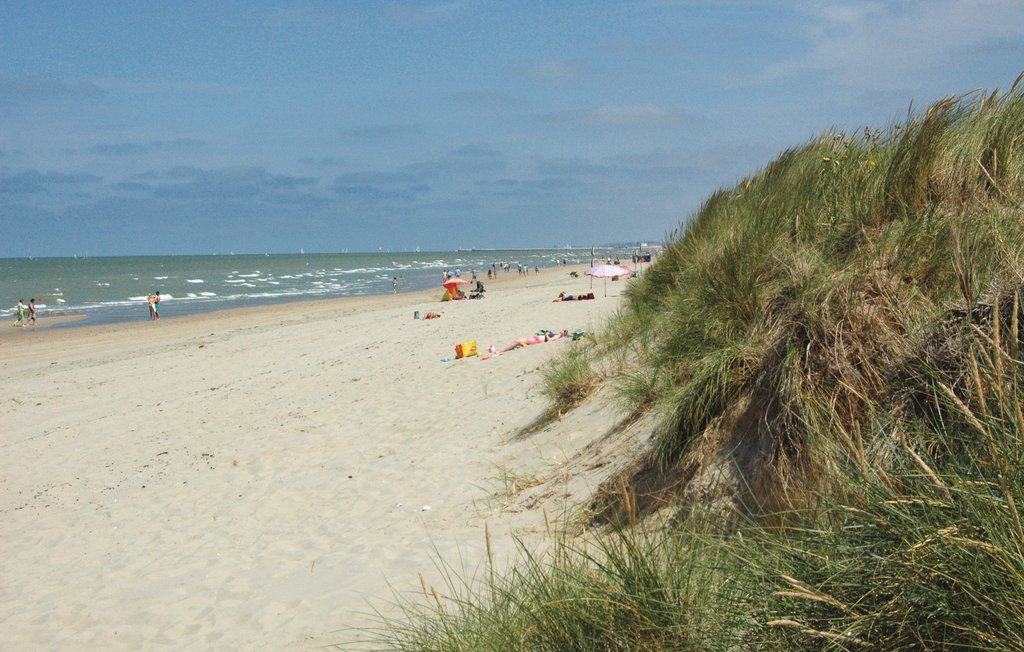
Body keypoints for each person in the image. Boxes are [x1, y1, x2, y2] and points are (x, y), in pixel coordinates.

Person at [501, 330, 568, 352]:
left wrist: (546, 334)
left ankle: (502, 350)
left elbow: (550, 340)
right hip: (536, 339)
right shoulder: (557, 334)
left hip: (537, 340)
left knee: (517, 341)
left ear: (563, 334)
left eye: (564, 331)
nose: (562, 330)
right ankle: (505, 350)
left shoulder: (558, 336)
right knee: (518, 341)